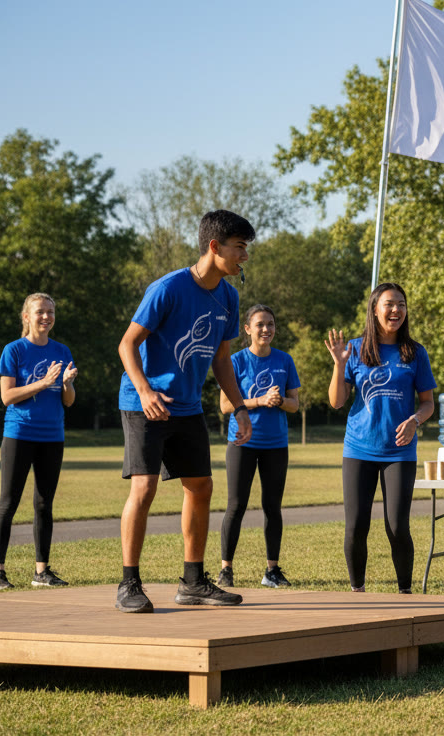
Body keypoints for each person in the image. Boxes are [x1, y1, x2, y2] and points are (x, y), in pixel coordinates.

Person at [115, 210, 255, 613]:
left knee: (201, 486)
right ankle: (129, 583)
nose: (244, 256)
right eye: (239, 247)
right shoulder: (169, 288)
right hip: (145, 404)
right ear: (215, 247)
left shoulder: (228, 296)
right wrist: (144, 391)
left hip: (188, 406)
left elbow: (222, 358)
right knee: (144, 488)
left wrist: (240, 407)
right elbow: (127, 345)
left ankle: (193, 582)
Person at [326, 283, 436, 594]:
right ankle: (357, 592)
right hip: (359, 449)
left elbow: (428, 403)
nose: (396, 310)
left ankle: (405, 593)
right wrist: (338, 364)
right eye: (389, 304)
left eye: (401, 304)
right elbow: (336, 401)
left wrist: (415, 420)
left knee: (397, 526)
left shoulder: (415, 353)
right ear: (375, 309)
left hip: (399, 452)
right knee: (357, 526)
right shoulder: (355, 349)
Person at [217, 304, 301, 589]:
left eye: (271, 324)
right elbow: (226, 405)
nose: (266, 329)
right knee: (236, 506)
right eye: (260, 324)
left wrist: (279, 402)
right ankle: (226, 569)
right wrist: (259, 401)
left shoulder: (284, 360)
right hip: (242, 443)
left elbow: (294, 404)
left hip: (276, 445)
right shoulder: (236, 361)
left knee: (272, 507)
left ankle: (272, 571)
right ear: (248, 329)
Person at [0, 293, 77, 589]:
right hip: (19, 434)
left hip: (52, 436)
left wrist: (66, 384)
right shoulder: (14, 350)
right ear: (27, 317)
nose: (46, 317)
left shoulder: (62, 350)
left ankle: (41, 572)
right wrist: (43, 382)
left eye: (50, 312)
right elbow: (7, 397)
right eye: (40, 312)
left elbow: (68, 401)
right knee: (7, 504)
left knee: (44, 504)